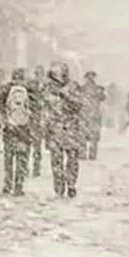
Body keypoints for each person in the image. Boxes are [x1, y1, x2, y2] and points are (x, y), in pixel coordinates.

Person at [42, 62, 83, 198]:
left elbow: (79, 105)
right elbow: (44, 108)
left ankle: (71, 183)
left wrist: (66, 96)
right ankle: (59, 187)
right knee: (56, 160)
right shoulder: (47, 88)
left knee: (72, 158)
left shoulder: (73, 86)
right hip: (55, 128)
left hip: (70, 127)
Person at [0, 69, 34, 195]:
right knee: (22, 157)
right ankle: (19, 184)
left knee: (9, 157)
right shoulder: (29, 89)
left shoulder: (6, 89)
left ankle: (7, 183)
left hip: (10, 128)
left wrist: (7, 118)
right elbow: (35, 107)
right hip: (24, 128)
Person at [78, 71, 106, 160]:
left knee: (84, 135)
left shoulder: (82, 89)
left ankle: (83, 153)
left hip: (86, 115)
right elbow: (103, 98)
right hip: (91, 115)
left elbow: (103, 98)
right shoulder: (96, 89)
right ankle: (91, 154)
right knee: (92, 136)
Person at [27, 65, 47, 177]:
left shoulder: (44, 86)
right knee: (33, 144)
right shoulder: (34, 86)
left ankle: (36, 166)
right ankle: (33, 166)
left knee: (36, 145)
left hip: (36, 119)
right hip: (33, 118)